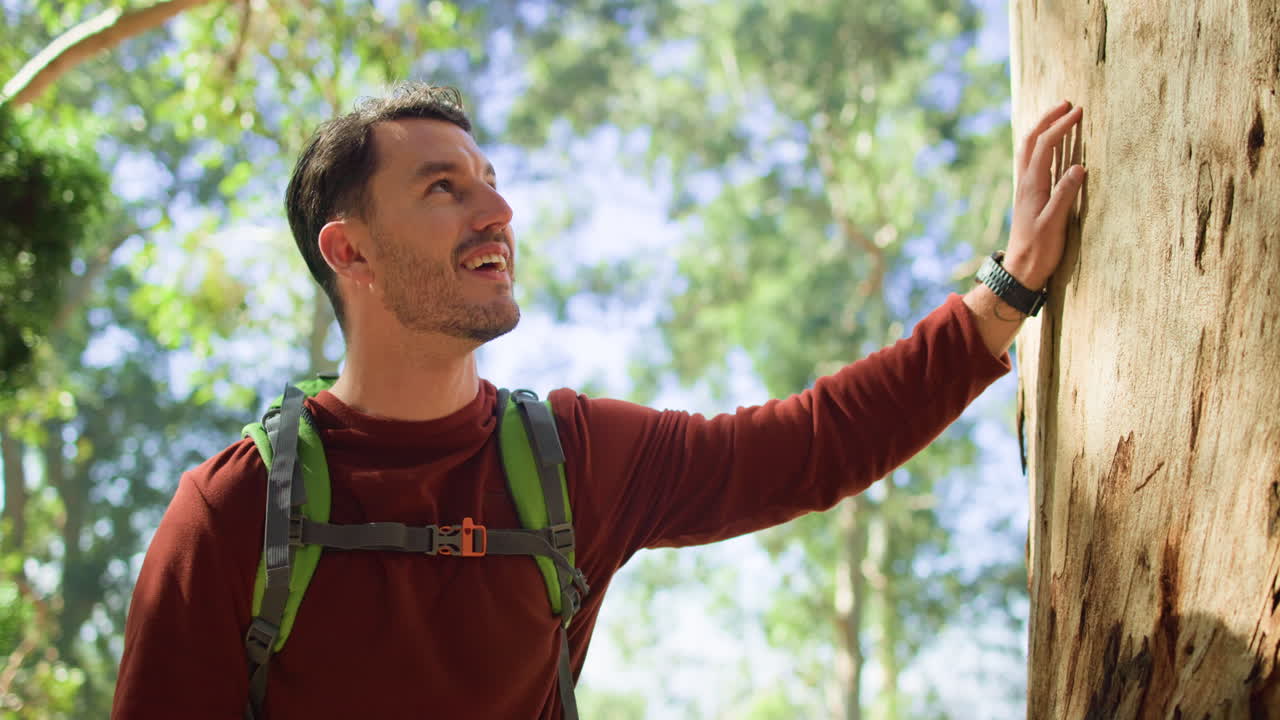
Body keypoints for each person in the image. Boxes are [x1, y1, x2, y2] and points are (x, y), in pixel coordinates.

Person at [110, 83, 1085, 719]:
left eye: (489, 182)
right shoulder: (233, 511)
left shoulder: (569, 459)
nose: (497, 210)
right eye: (443, 188)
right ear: (349, 250)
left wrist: (1002, 297)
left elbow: (807, 446)